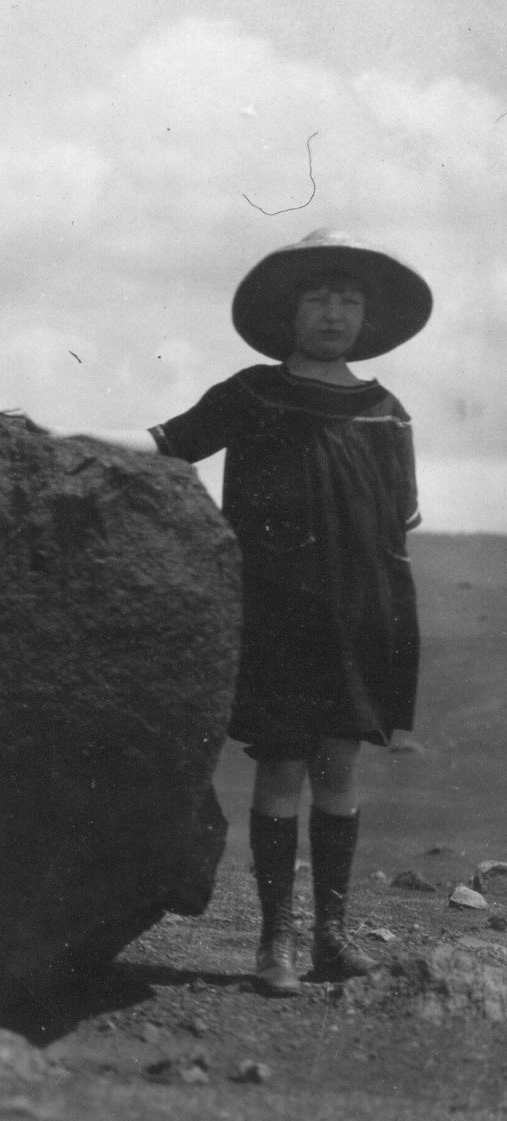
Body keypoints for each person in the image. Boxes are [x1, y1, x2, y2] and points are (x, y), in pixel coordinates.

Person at [48, 228, 430, 998]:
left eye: (347, 300)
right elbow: (168, 442)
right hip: (275, 612)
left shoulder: (386, 412)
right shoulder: (252, 393)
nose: (332, 313)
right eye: (318, 299)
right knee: (282, 765)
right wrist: (61, 435)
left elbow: (399, 531)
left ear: (365, 317)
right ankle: (274, 942)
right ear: (289, 313)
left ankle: (330, 935)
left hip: (357, 617)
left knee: (339, 764)